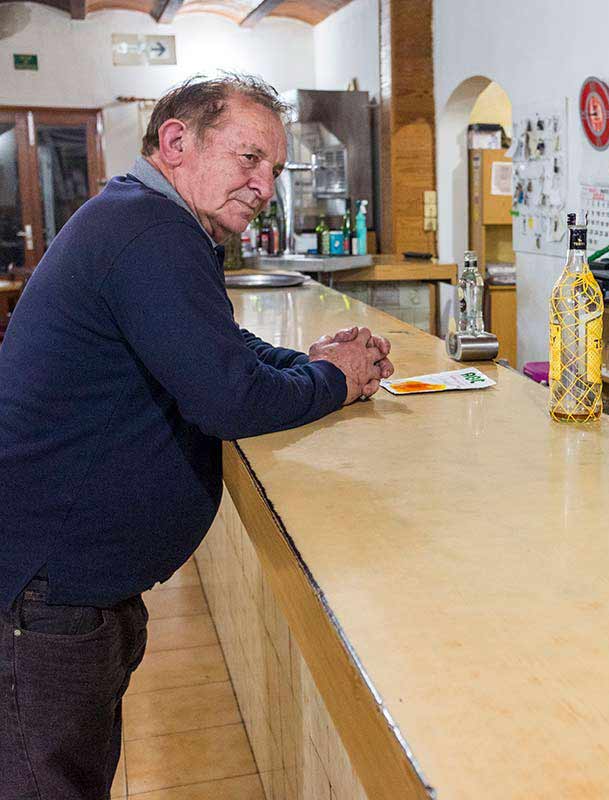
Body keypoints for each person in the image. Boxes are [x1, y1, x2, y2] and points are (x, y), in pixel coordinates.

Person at [0, 74, 394, 799]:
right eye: (250, 158)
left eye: (274, 169)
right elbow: (228, 399)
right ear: (177, 141)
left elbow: (222, 348)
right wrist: (335, 381)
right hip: (48, 592)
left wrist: (309, 364)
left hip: (71, 587)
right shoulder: (151, 231)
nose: (265, 186)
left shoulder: (146, 219)